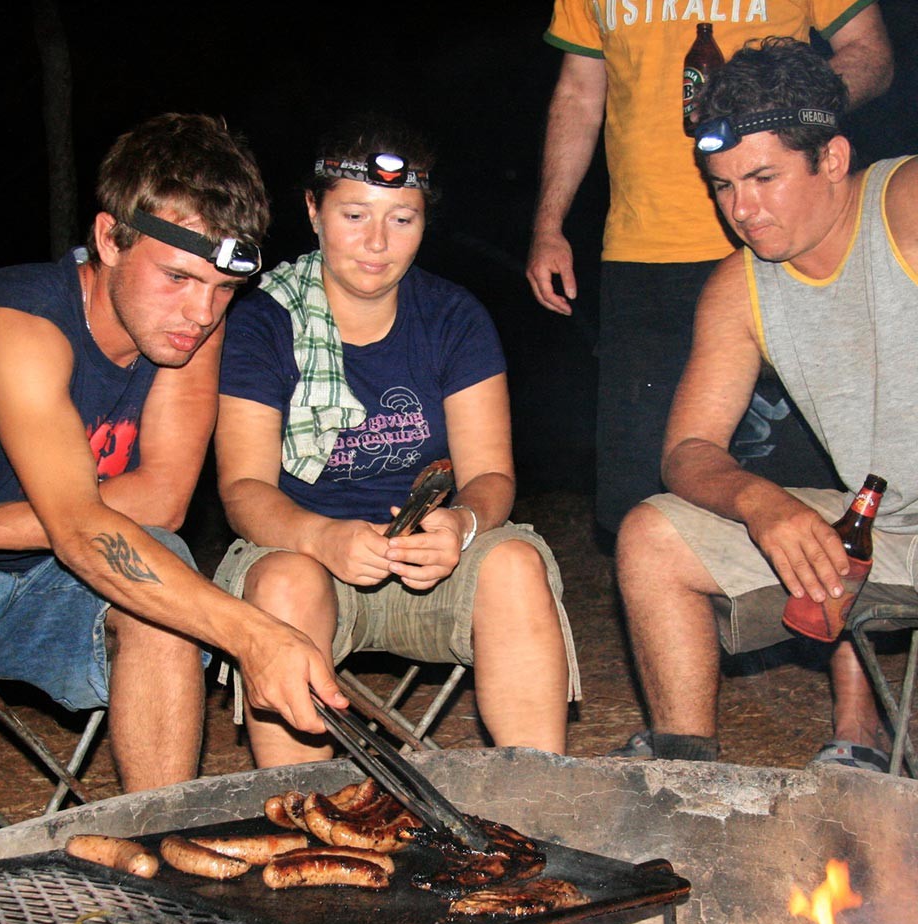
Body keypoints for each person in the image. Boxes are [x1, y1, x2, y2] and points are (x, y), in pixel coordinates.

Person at [0, 112, 346, 794]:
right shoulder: (18, 318)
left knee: (159, 569)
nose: (201, 314)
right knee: (147, 558)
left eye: (223, 288)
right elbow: (84, 528)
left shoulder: (188, 329)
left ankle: (160, 836)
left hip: (33, 573)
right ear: (110, 238)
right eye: (177, 278)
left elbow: (162, 495)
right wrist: (256, 637)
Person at [211, 118, 577, 767]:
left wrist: (461, 525)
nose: (377, 243)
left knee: (515, 565)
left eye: (402, 220)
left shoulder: (453, 317)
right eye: (355, 215)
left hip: (429, 566)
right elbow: (243, 491)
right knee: (284, 583)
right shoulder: (263, 322)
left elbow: (491, 475)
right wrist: (322, 537)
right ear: (313, 211)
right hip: (306, 552)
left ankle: (533, 801)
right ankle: (298, 818)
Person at [614, 38, 917, 771]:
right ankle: (688, 779)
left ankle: (867, 738)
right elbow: (687, 451)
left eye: (762, 177)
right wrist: (761, 502)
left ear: (833, 159)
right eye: (722, 186)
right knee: (651, 534)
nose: (741, 210)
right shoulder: (738, 287)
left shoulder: (904, 206)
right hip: (890, 524)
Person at [527, 1, 890, 535]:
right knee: (643, 493)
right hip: (643, 247)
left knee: (804, 486)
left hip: (785, 240)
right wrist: (548, 223)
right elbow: (579, 94)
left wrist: (788, 117)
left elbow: (870, 51)